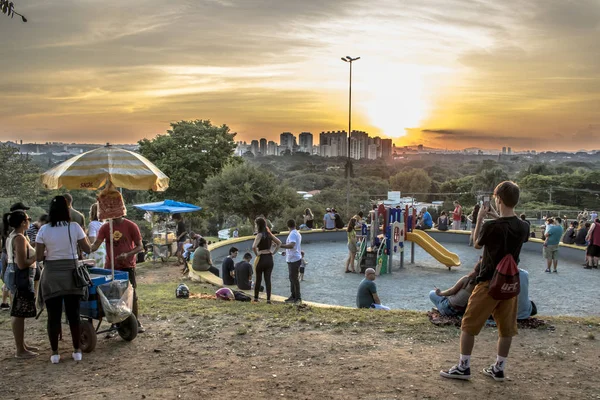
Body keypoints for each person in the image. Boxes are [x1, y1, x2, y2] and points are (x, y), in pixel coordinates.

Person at [440, 181, 530, 382]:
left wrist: (480, 219)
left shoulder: (491, 227)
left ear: (497, 199)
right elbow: (509, 227)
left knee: (468, 325)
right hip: (509, 284)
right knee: (506, 329)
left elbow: (476, 244)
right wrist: (497, 217)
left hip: (489, 282)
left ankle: (463, 367)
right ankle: (499, 368)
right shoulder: (524, 227)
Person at [36, 196, 93, 363]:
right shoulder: (74, 227)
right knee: (73, 314)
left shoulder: (44, 230)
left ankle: (54, 353)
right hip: (71, 275)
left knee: (53, 316)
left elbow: (39, 256)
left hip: (51, 276)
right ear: (67, 209)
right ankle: (76, 351)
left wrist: (50, 252)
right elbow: (87, 248)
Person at [91, 214, 144, 333]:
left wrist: (127, 254)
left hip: (128, 266)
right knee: (113, 297)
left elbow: (140, 246)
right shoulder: (105, 228)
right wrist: (84, 247)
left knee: (132, 295)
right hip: (111, 268)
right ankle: (114, 323)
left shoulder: (131, 226)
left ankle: (135, 321)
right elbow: (95, 245)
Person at [4, 209, 38, 359]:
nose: (29, 222)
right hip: (21, 276)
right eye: (27, 219)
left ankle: (22, 345)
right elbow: (22, 263)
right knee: (18, 313)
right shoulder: (19, 238)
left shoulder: (12, 236)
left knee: (17, 312)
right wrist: (36, 256)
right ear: (23, 222)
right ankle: (20, 349)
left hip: (13, 274)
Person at [252, 217, 281, 303]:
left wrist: (257, 254)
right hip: (269, 258)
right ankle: (268, 300)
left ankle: (256, 298)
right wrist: (273, 252)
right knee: (268, 279)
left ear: (258, 225)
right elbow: (279, 243)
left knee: (258, 279)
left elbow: (253, 247)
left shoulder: (259, 235)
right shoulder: (269, 234)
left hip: (261, 258)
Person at [280, 219, 302, 303]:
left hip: (293, 260)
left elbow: (292, 245)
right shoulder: (297, 233)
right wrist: (286, 252)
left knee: (294, 279)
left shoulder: (292, 234)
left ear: (288, 226)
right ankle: (293, 295)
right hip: (294, 258)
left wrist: (280, 245)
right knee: (292, 278)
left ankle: (297, 297)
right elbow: (295, 247)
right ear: (295, 224)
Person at [87, 203, 106, 268]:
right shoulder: (105, 224)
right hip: (105, 250)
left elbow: (92, 241)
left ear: (92, 212)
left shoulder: (92, 224)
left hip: (96, 252)